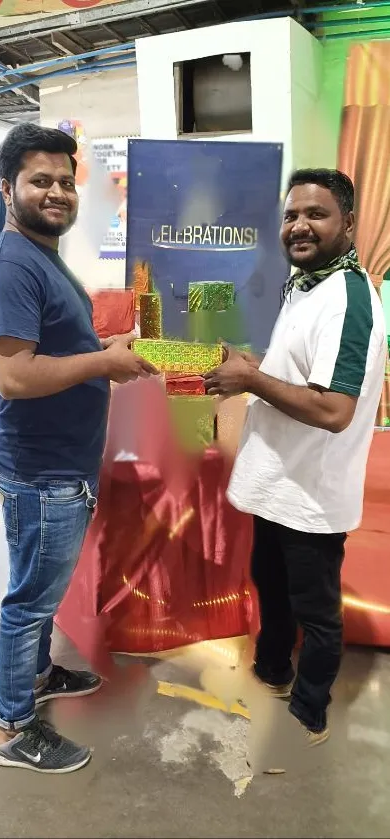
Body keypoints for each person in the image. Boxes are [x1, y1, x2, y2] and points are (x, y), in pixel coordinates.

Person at [0, 123, 157, 774]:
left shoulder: (41, 254)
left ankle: (38, 677)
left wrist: (108, 351)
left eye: (63, 179)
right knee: (28, 600)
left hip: (64, 461)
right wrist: (100, 364)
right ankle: (12, 727)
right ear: (9, 189)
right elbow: (14, 376)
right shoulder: (8, 266)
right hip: (42, 469)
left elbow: (61, 347)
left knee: (41, 593)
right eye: (40, 180)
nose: (56, 191)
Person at [204, 169, 386, 766]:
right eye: (291, 216)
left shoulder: (349, 298)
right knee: (271, 587)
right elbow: (301, 372)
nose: (299, 226)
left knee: (317, 611)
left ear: (349, 224)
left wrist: (251, 378)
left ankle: (309, 709)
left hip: (311, 494)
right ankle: (274, 668)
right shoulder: (306, 283)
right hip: (275, 483)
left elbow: (334, 410)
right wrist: (256, 366)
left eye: (316, 214)